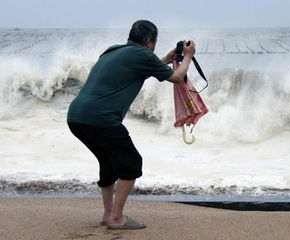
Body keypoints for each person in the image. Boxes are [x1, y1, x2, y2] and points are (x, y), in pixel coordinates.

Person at [66, 20, 195, 230]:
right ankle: (116, 219)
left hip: (77, 116)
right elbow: (176, 78)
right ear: (148, 41)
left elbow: (139, 70)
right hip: (102, 119)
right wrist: (188, 56)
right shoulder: (142, 55)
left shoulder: (113, 51)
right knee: (131, 163)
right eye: (154, 43)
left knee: (108, 163)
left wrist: (166, 58)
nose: (153, 47)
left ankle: (108, 215)